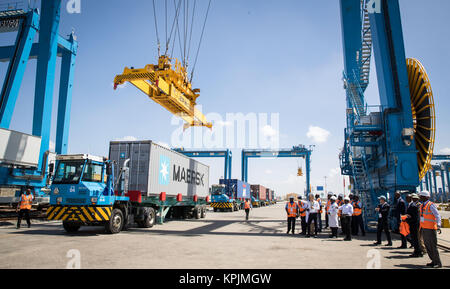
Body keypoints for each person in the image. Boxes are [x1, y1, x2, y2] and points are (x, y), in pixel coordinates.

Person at [419, 190, 442, 268]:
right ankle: (433, 260)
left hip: (431, 228)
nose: (420, 197)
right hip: (424, 228)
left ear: (426, 197)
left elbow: (437, 215)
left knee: (433, 246)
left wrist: (439, 225)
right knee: (427, 245)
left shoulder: (431, 205)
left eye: (421, 196)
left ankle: (438, 263)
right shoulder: (422, 205)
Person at [405, 193, 423, 258]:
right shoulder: (410, 205)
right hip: (412, 224)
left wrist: (408, 218)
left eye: (408, 198)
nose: (407, 199)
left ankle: (418, 252)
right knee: (414, 238)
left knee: (416, 239)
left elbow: (415, 217)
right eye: (406, 198)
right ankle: (417, 251)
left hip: (414, 224)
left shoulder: (413, 206)